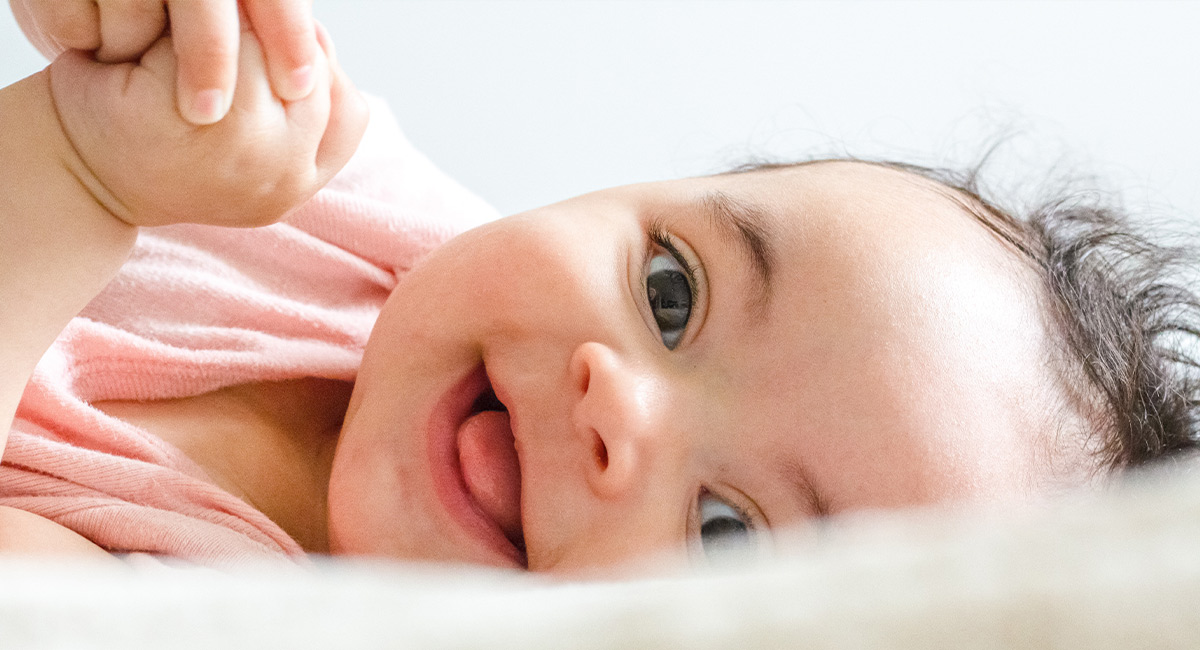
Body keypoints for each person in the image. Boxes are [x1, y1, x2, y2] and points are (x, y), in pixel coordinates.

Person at [1, 0, 1197, 573]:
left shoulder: (227, 610)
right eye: (671, 292)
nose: (616, 402)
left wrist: (68, 168)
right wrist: (149, 37)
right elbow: (175, 59)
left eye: (725, 531)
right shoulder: (352, 196)